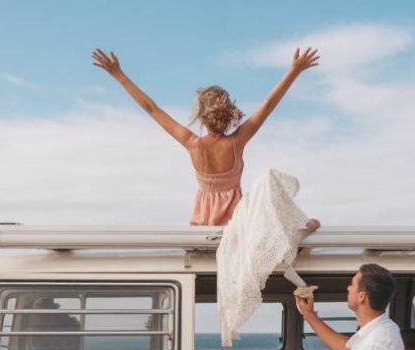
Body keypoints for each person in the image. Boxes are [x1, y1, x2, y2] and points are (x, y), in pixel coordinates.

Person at [91, 47, 321, 228]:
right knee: (274, 198)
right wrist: (294, 70)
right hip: (236, 226)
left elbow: (151, 108)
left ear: (201, 115)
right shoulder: (236, 142)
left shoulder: (192, 144)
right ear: (229, 114)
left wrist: (118, 74)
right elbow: (268, 104)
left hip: (201, 227)